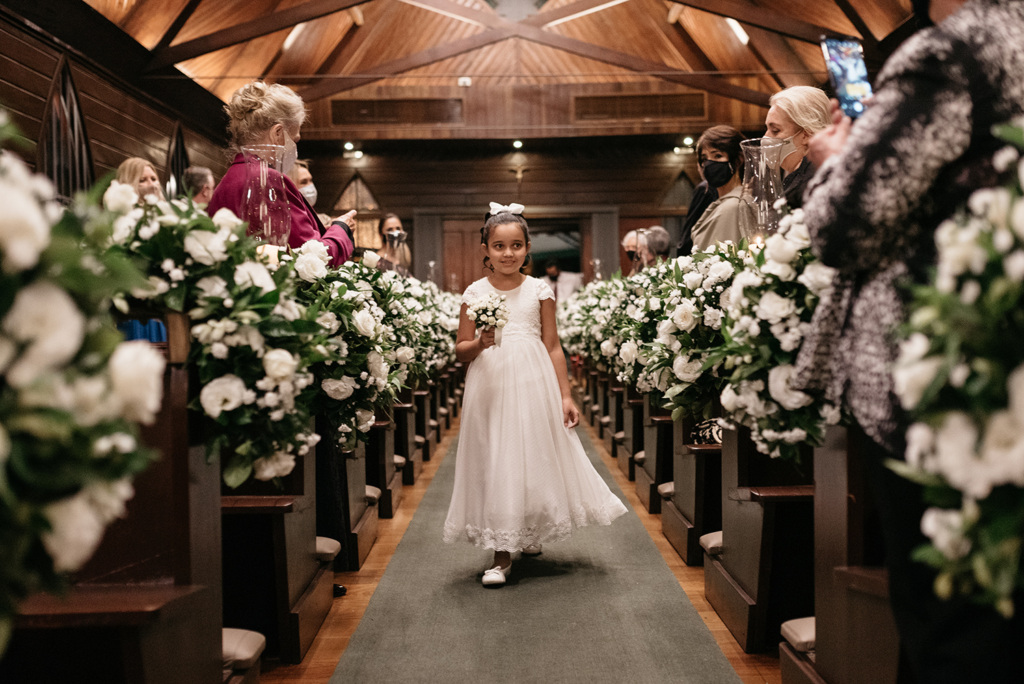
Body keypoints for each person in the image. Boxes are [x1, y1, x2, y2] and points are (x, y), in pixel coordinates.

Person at [796, 1, 1024, 681]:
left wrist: (833, 160)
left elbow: (847, 223)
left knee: (953, 626)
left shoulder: (959, 51)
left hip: (947, 370)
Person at [443, 203, 628, 586]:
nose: (507, 253)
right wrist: (481, 341)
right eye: (498, 246)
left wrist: (565, 395)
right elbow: (460, 349)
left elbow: (554, 345)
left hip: (533, 380)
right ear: (485, 249)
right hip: (490, 383)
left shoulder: (538, 291)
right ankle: (500, 552)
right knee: (497, 456)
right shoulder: (474, 292)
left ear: (528, 248)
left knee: (530, 454)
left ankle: (526, 531)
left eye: (515, 245)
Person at [207, 81, 354, 266]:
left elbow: (280, 246)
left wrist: (321, 231)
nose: (295, 147)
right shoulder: (267, 179)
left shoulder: (227, 180)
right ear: (278, 133)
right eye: (294, 139)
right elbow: (309, 262)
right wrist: (341, 230)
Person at [688, 126, 755, 251]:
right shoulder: (722, 203)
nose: (709, 164)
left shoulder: (735, 206)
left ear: (738, 160)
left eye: (717, 156)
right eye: (704, 158)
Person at [763, 86, 831, 209]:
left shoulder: (811, 187)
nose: (765, 137)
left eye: (775, 130)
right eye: (767, 129)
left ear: (806, 135)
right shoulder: (800, 177)